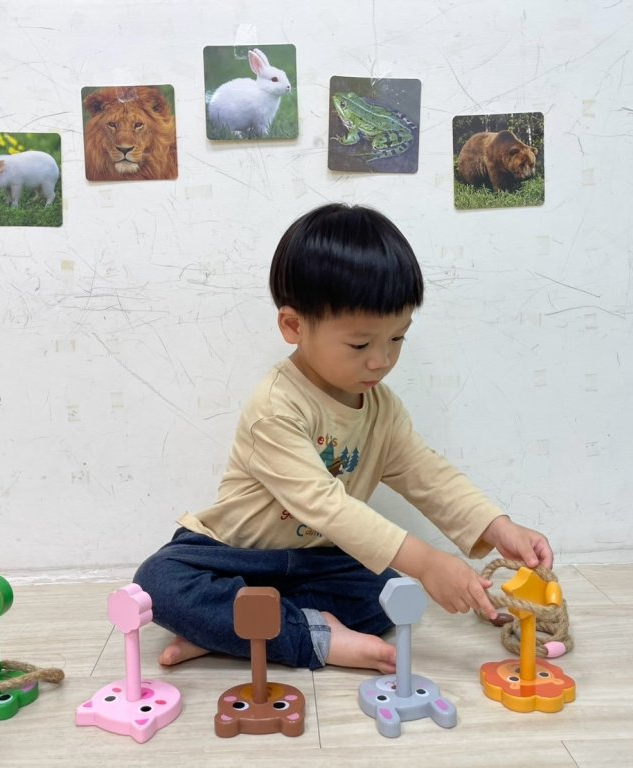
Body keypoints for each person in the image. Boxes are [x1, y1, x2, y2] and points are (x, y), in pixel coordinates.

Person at [134, 203, 552, 673]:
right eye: (360, 344)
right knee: (158, 582)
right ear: (294, 326)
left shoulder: (382, 408)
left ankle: (237, 632)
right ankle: (311, 637)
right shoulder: (276, 405)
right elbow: (327, 506)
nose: (381, 360)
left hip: (315, 562)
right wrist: (428, 561)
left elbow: (429, 475)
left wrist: (497, 526)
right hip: (235, 559)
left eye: (397, 339)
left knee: (384, 595)